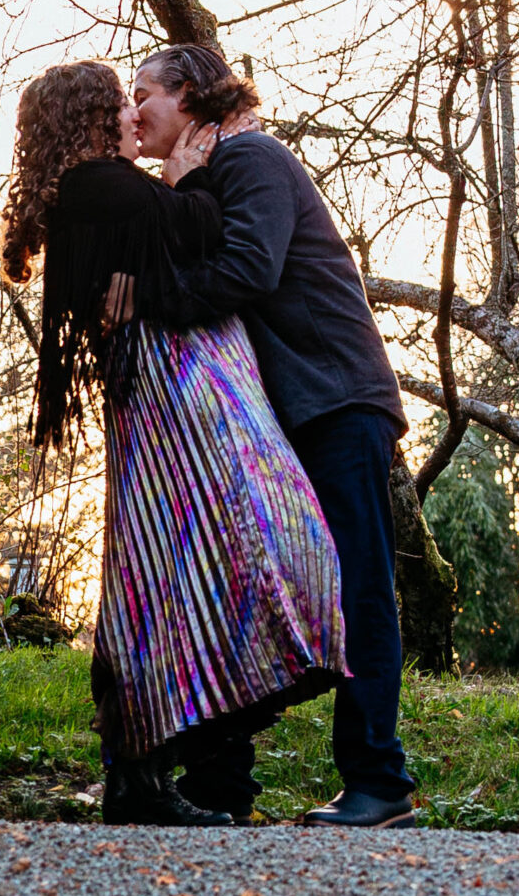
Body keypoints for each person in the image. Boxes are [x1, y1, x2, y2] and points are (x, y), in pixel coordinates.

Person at [1, 59, 347, 827]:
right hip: (175, 388)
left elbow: (176, 245)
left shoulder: (102, 189)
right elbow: (202, 229)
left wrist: (178, 191)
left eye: (139, 96)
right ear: (90, 118)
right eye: (118, 102)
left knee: (172, 572)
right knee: (203, 560)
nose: (132, 113)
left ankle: (169, 766)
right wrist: (188, 183)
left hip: (173, 382)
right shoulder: (102, 186)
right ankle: (151, 772)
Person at [128, 43, 415, 828]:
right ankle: (223, 784)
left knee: (357, 592)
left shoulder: (252, 157)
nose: (134, 108)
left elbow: (248, 270)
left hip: (334, 402)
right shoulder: (206, 175)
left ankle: (379, 784)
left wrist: (167, 241)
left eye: (144, 91)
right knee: (251, 586)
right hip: (278, 418)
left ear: (188, 96)